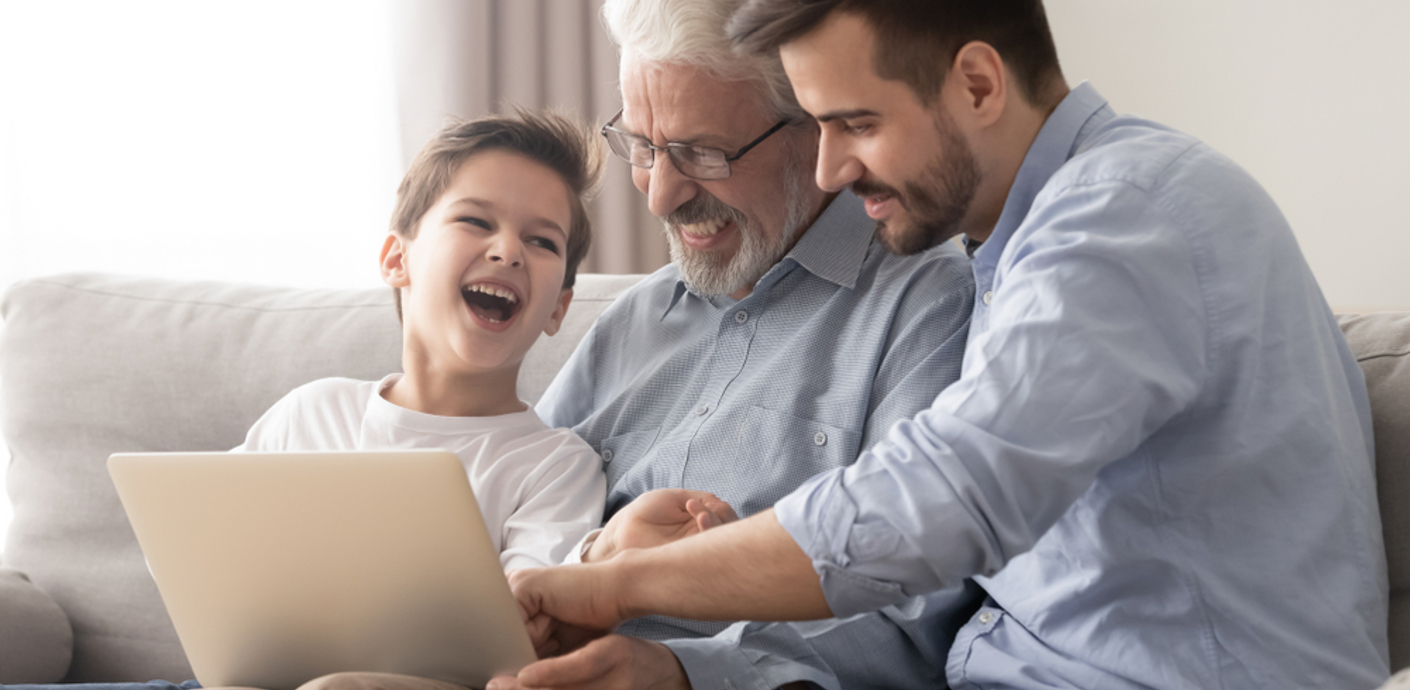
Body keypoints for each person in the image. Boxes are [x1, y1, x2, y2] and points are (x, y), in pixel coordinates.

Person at [508, 2, 1392, 689]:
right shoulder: (1038, 241)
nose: (831, 172)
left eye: (855, 124)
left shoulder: (1125, 214)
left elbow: (937, 499)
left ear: (977, 84)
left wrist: (619, 586)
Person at [489, 0, 979, 687]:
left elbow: (916, 624)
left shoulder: (930, 309)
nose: (659, 195)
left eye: (702, 153)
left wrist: (683, 672)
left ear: (816, 124)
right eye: (645, 146)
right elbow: (508, 513)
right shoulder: (635, 321)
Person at [233, 111, 608, 572]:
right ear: (396, 260)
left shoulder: (555, 469)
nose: (508, 251)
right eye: (475, 220)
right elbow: (190, 548)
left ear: (558, 308)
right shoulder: (310, 415)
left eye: (542, 242)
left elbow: (530, 619)